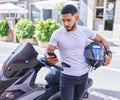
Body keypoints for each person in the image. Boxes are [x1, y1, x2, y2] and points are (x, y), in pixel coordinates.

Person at [44, 4, 112, 100]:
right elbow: (48, 50)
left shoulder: (85, 31)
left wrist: (109, 54)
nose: (65, 24)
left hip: (84, 75)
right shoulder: (57, 34)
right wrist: (48, 56)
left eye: (69, 20)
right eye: (63, 20)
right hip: (67, 76)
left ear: (76, 18)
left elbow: (101, 40)